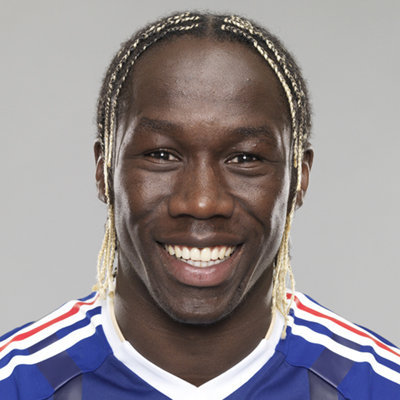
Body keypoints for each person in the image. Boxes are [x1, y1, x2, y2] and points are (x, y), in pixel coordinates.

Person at [0, 11, 399, 400]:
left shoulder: (377, 386)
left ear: (299, 179)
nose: (202, 202)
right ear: (104, 171)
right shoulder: (17, 383)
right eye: (161, 155)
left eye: (245, 158)